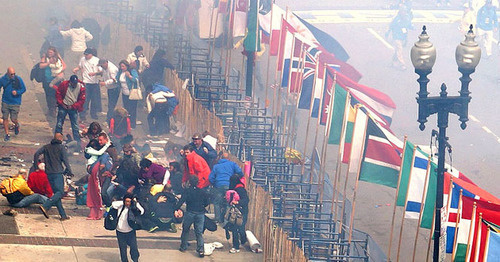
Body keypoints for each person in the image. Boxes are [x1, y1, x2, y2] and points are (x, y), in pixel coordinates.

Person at [34, 133, 73, 220]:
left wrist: (36, 167)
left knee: (56, 194)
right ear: (60, 139)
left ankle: (63, 215)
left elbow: (36, 154)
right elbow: (66, 161)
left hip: (49, 173)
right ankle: (46, 206)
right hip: (58, 173)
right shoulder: (61, 147)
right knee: (60, 192)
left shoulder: (46, 147)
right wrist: (70, 171)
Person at [176, 175, 209, 257]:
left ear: (189, 182)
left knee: (186, 229)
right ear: (197, 183)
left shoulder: (187, 191)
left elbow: (181, 201)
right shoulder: (202, 191)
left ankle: (183, 246)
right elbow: (206, 202)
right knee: (199, 232)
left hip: (190, 212)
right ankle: (200, 250)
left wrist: (176, 208)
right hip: (200, 213)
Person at [209, 152, 243, 223]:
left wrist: (214, 184)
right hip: (229, 186)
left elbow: (210, 178)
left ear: (221, 158)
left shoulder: (216, 166)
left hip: (219, 186)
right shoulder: (232, 164)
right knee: (229, 202)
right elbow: (240, 173)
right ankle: (226, 220)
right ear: (228, 158)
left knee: (217, 202)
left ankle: (217, 219)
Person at [55, 75, 86, 149]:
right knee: (59, 124)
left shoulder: (81, 87)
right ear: (70, 82)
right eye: (73, 83)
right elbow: (58, 93)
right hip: (63, 106)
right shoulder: (64, 84)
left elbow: (82, 100)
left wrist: (73, 106)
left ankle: (77, 143)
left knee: (75, 126)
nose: (74, 85)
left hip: (73, 108)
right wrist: (62, 103)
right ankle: (57, 139)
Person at [111, 193, 144, 262]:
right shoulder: (121, 206)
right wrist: (123, 203)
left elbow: (142, 211)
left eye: (129, 201)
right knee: (123, 249)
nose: (127, 203)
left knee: (134, 247)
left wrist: (135, 204)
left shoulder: (134, 207)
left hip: (130, 231)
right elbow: (113, 204)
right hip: (120, 231)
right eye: (126, 201)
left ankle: (135, 260)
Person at [73, 47, 101, 121]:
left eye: (87, 54)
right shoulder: (82, 59)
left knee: (94, 99)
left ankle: (93, 113)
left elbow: (100, 71)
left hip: (94, 82)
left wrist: (94, 73)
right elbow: (80, 66)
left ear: (91, 54)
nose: (86, 56)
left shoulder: (96, 60)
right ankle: (82, 114)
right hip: (86, 81)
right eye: (85, 54)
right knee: (85, 99)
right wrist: (76, 69)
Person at [0, 67, 26, 141]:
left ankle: (16, 124)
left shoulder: (18, 79)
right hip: (5, 101)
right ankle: (7, 134)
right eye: (11, 74)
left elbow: (23, 89)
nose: (13, 75)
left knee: (13, 118)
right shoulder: (3, 79)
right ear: (7, 73)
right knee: (5, 118)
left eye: (14, 74)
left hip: (15, 102)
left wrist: (17, 92)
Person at [39, 47, 65, 117]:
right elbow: (41, 66)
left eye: (51, 52)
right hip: (46, 80)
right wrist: (48, 63)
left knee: (55, 95)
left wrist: (60, 72)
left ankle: (54, 109)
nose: (49, 54)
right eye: (49, 52)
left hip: (56, 80)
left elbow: (64, 66)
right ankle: (51, 109)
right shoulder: (45, 58)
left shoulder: (57, 58)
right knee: (48, 95)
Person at [226, 174, 249, 253]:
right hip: (237, 212)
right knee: (237, 228)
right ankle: (239, 243)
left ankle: (237, 246)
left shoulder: (240, 189)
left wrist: (238, 202)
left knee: (237, 228)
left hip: (240, 212)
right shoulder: (236, 188)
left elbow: (246, 200)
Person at [116, 60, 140, 128]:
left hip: (132, 94)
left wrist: (129, 76)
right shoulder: (120, 72)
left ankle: (132, 124)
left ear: (127, 66)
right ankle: (127, 123)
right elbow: (117, 78)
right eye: (121, 66)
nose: (122, 68)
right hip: (124, 93)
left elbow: (136, 80)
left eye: (123, 66)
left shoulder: (132, 71)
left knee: (132, 109)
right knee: (126, 109)